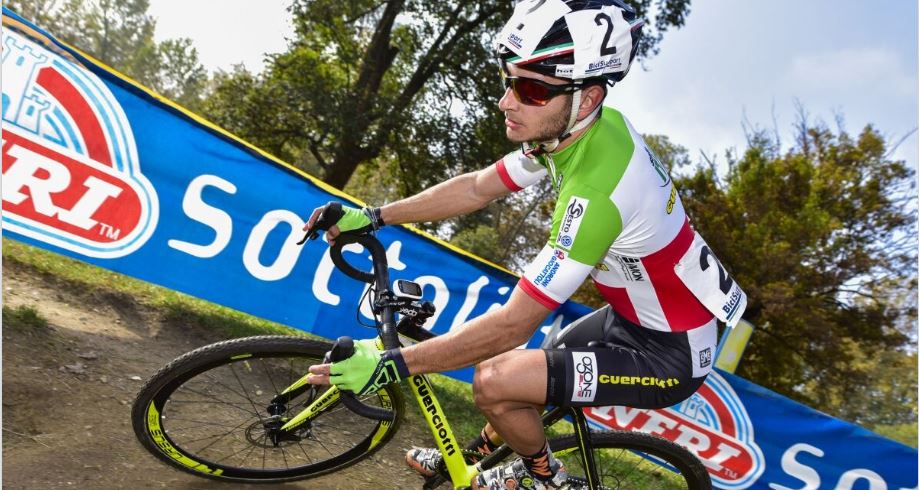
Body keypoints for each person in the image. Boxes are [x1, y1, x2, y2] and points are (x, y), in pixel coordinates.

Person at [305, 0, 747, 488]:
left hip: (670, 355)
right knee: (529, 375)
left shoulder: (599, 189)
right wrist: (375, 214)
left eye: (532, 88)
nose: (506, 101)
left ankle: (544, 478)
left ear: (589, 97)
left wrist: (393, 364)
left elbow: (513, 325)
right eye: (509, 79)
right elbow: (478, 187)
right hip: (634, 318)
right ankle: (477, 461)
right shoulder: (572, 132)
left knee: (495, 379)